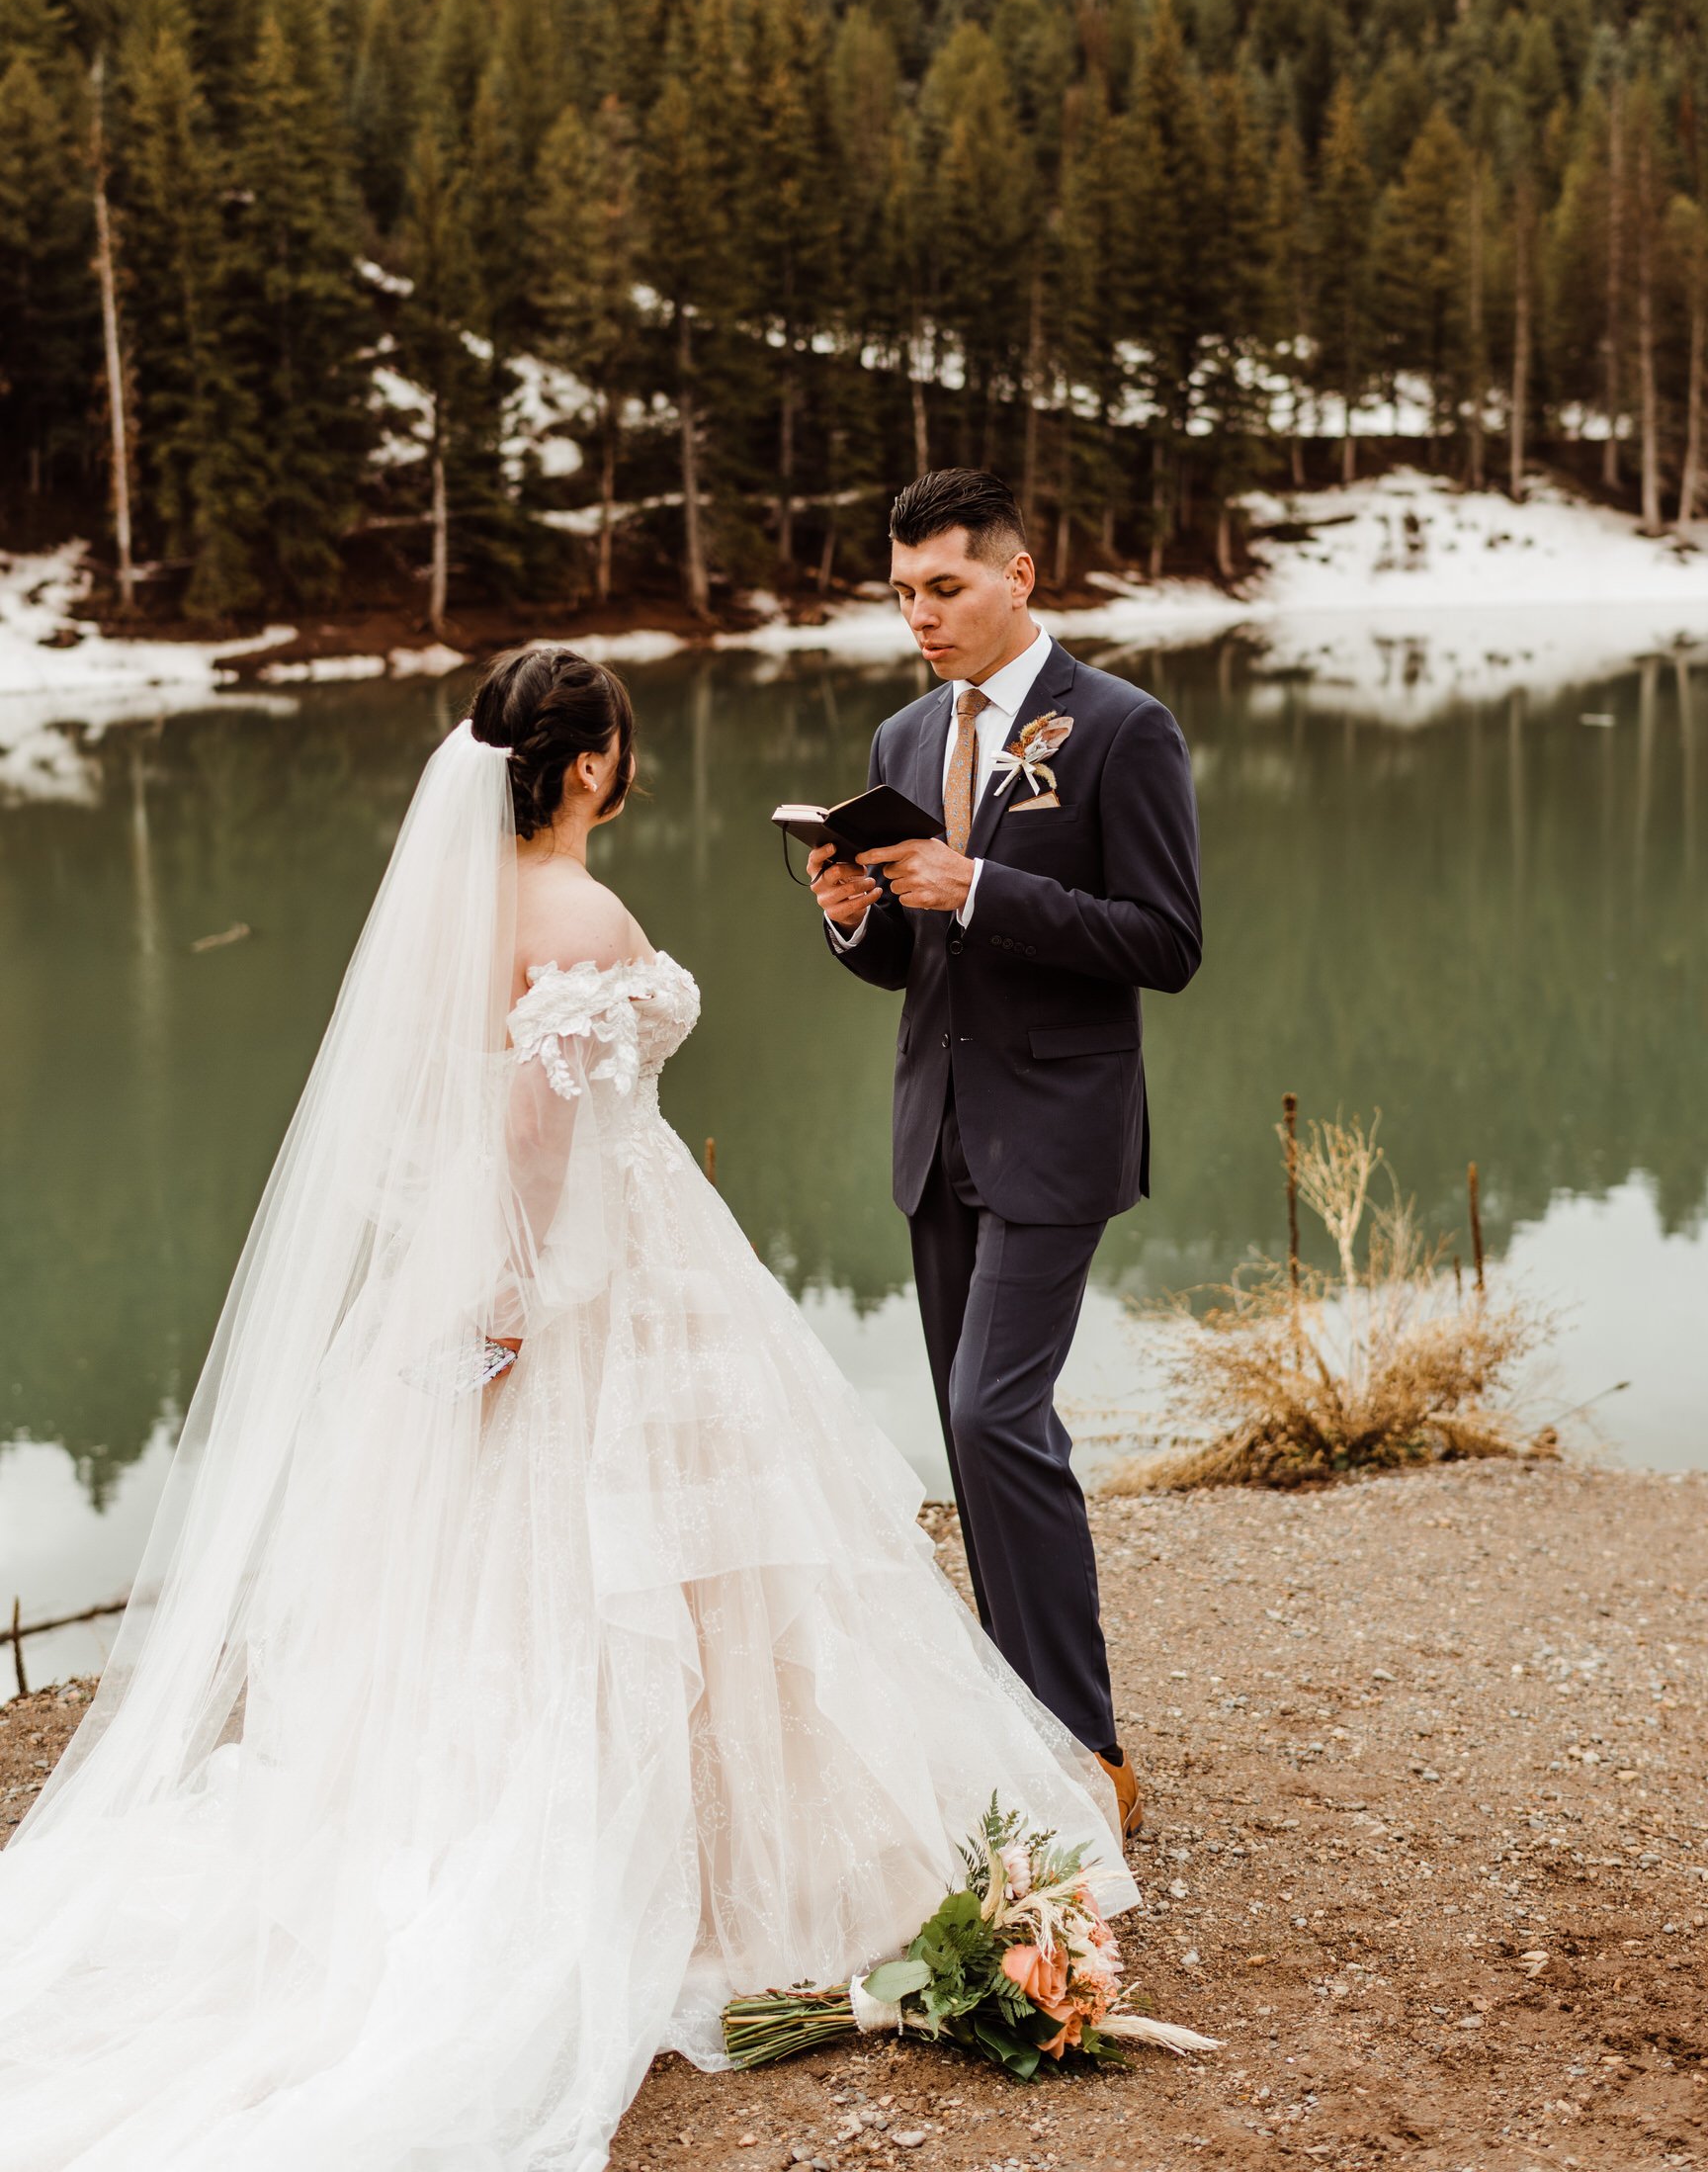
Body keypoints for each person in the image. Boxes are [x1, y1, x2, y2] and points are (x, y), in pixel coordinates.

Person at [0, 646, 1134, 2172]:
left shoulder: (458, 917)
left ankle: (548, 1825)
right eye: (619, 744)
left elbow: (445, 1119)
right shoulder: (579, 911)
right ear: (594, 763)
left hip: (497, 1258)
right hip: (594, 1267)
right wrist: (517, 1306)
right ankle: (685, 1868)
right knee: (660, 1560)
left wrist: (462, 1289)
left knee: (508, 1569)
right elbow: (539, 1132)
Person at [809, 470, 1202, 1841]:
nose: (922, 615)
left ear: (1020, 577)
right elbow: (914, 969)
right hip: (937, 1132)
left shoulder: (1121, 729)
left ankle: (1087, 1754)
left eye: (947, 588)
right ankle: (1022, 1737)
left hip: (1059, 1132)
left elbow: (1166, 943)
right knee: (981, 1442)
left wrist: (980, 884)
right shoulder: (903, 738)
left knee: (993, 1415)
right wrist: (856, 916)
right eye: (904, 592)